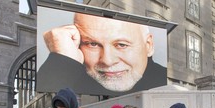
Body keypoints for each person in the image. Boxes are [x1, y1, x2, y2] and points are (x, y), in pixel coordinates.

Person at [37, 13, 166, 96]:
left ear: (148, 45)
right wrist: (61, 59)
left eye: (121, 45)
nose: (107, 60)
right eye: (92, 44)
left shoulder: (165, 88)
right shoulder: (73, 78)